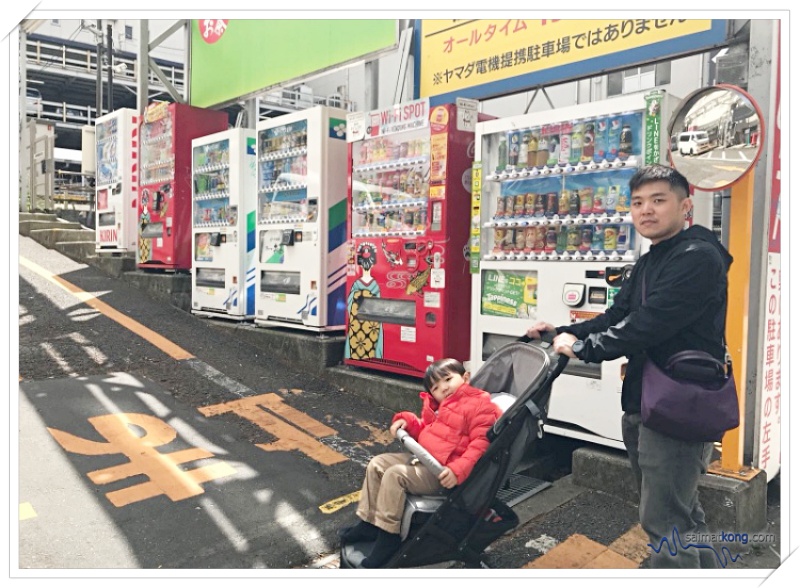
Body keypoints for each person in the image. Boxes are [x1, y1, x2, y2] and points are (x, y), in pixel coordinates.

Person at [527, 164, 733, 569]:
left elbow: (646, 325)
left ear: (686, 206)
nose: (646, 211)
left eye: (659, 200)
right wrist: (562, 330)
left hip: (678, 404)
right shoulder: (653, 258)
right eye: (638, 202)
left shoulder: (697, 257)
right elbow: (616, 315)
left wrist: (585, 349)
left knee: (664, 520)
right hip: (648, 398)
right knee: (681, 512)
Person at [339, 358, 503, 568]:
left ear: (465, 377)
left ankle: (388, 536)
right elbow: (426, 429)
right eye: (436, 387)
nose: (443, 388)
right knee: (378, 464)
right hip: (426, 459)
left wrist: (457, 470)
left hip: (443, 472)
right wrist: (407, 421)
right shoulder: (441, 406)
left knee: (394, 475)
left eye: (448, 380)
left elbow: (480, 445)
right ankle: (370, 523)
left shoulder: (480, 404)